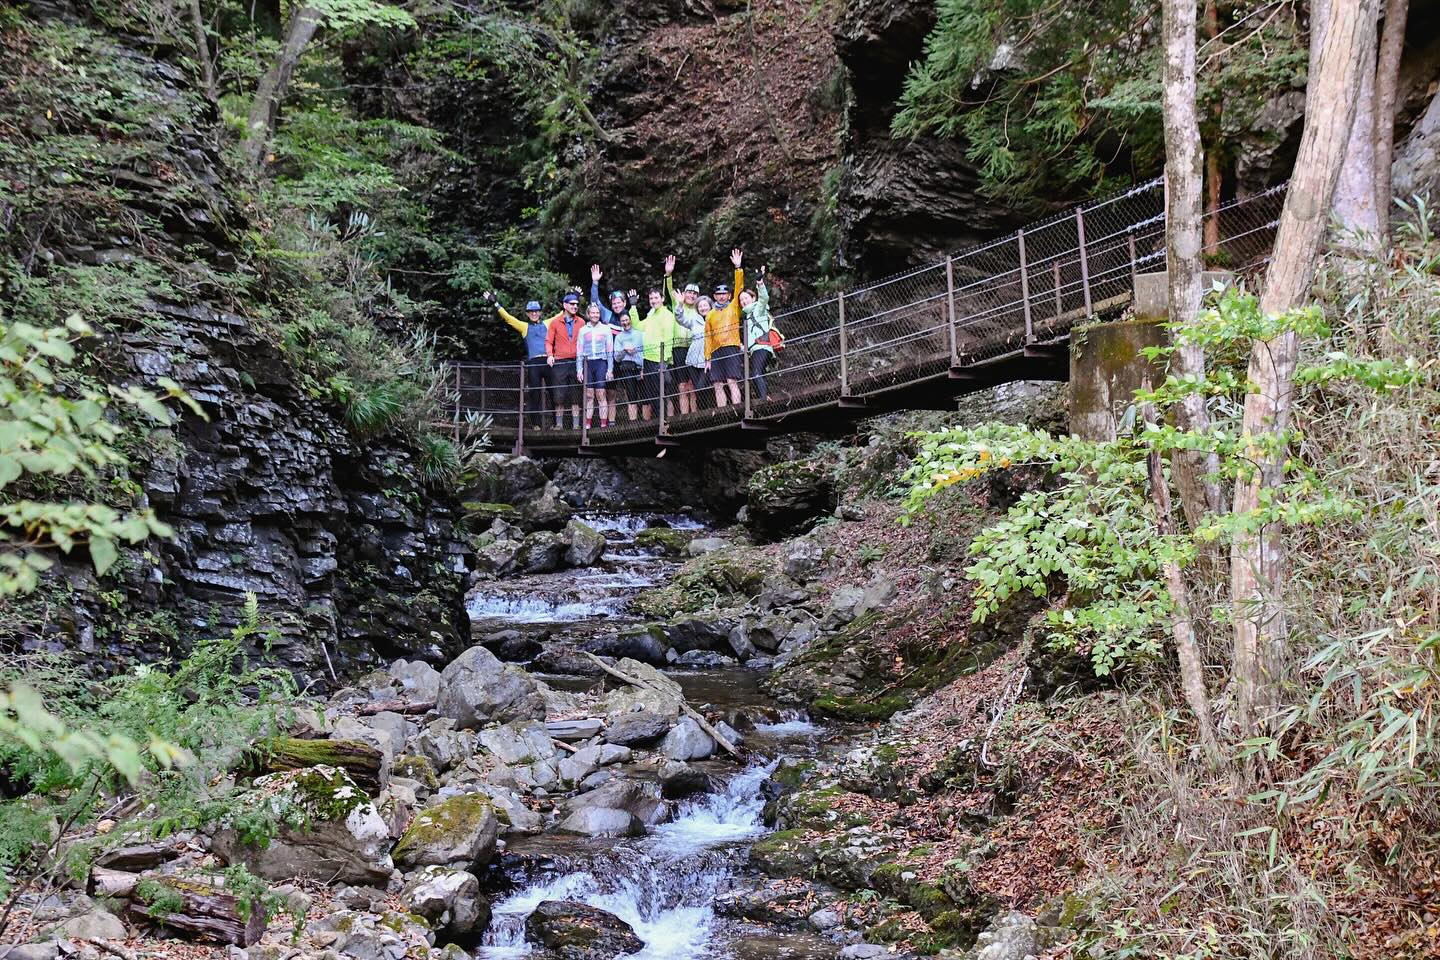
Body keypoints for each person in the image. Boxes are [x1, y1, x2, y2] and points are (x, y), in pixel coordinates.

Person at [485, 291, 555, 427]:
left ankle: (556, 423)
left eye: (536, 311)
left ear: (540, 312)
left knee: (553, 391)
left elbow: (561, 315)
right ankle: (536, 424)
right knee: (535, 393)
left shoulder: (547, 324)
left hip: (547, 360)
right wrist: (495, 303)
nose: (534, 314)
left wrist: (574, 295)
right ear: (528, 314)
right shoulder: (524, 326)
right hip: (534, 362)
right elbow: (509, 318)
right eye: (531, 312)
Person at [590, 264, 639, 425]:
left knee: (630, 391)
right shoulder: (608, 315)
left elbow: (638, 328)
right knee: (610, 392)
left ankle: (633, 422)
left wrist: (633, 306)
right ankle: (611, 423)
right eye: (614, 303)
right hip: (611, 360)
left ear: (624, 303)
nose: (617, 305)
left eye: (619, 303)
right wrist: (595, 283)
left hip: (628, 360)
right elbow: (595, 302)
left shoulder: (629, 315)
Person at [704, 248, 745, 408]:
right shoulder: (710, 314)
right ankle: (722, 412)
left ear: (728, 295)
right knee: (717, 383)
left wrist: (738, 268)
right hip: (715, 350)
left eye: (725, 294)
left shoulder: (734, 307)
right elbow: (707, 336)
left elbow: (739, 288)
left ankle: (737, 408)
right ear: (714, 296)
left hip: (731, 346)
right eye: (718, 294)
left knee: (731, 380)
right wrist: (707, 358)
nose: (721, 296)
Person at [663, 255, 704, 415]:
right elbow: (668, 291)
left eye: (695, 294)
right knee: (681, 384)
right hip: (679, 347)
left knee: (692, 384)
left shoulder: (700, 309)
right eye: (689, 292)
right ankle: (684, 415)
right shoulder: (677, 304)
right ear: (684, 293)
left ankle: (693, 414)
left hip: (695, 347)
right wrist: (668, 274)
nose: (692, 296)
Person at [544, 292, 585, 429]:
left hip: (576, 361)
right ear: (565, 305)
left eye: (577, 304)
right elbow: (549, 341)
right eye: (572, 304)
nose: (575, 306)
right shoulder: (555, 323)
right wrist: (550, 355)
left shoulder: (581, 322)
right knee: (558, 394)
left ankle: (576, 425)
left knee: (576, 395)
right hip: (560, 361)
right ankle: (559, 425)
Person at [637, 285, 676, 421]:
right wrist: (632, 307)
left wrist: (663, 360)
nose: (653, 300)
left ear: (662, 298)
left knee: (661, 393)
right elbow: (637, 326)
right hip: (648, 358)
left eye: (656, 297)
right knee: (653, 393)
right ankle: (659, 421)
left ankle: (664, 421)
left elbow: (668, 337)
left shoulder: (667, 315)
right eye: (651, 298)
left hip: (659, 359)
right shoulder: (651, 314)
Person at [575, 302, 614, 429]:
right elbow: (579, 351)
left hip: (601, 362)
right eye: (593, 312)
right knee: (589, 395)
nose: (595, 315)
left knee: (601, 393)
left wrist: (610, 369)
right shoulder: (583, 330)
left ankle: (603, 424)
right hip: (588, 362)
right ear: (588, 314)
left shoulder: (606, 329)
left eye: (597, 313)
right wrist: (579, 370)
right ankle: (588, 424)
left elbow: (610, 350)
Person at [740, 265, 776, 403]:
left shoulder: (757, 309)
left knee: (755, 374)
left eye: (746, 298)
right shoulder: (747, 316)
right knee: (759, 373)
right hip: (756, 348)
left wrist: (760, 283)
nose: (744, 301)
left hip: (761, 347)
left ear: (753, 297)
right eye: (741, 300)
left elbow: (764, 298)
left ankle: (763, 399)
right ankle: (765, 396)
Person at [611, 307, 645, 423]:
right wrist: (624, 350)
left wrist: (643, 369)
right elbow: (616, 357)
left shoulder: (640, 334)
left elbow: (644, 352)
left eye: (627, 320)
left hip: (640, 367)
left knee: (646, 396)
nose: (625, 323)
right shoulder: (619, 337)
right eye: (623, 321)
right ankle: (633, 422)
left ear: (630, 320)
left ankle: (646, 421)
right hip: (627, 368)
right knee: (631, 396)